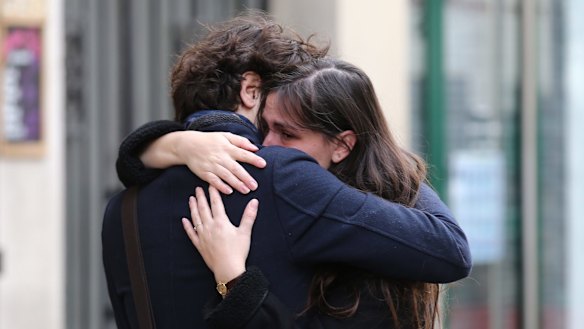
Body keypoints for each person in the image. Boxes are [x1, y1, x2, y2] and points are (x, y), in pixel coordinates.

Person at [102, 12, 471, 329]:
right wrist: (390, 160)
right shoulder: (282, 175)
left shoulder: (122, 209)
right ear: (250, 89)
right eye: (280, 93)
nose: (273, 139)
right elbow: (448, 249)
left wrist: (169, 143)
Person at [183, 58, 449, 329]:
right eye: (265, 127)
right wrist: (175, 144)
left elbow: (452, 249)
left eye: (287, 134)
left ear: (342, 145)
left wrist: (232, 277)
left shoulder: (372, 250)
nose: (267, 145)